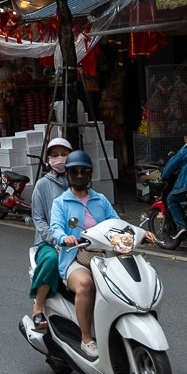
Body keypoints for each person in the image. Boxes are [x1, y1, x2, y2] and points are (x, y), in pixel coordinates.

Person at [48, 150, 119, 360]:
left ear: (90, 173)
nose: (79, 175)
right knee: (86, 284)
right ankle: (86, 339)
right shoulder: (61, 203)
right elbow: (55, 228)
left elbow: (116, 223)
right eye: (75, 172)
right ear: (68, 174)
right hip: (74, 258)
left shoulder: (101, 200)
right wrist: (65, 238)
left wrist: (139, 233)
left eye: (84, 171)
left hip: (104, 257)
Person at [28, 136, 73, 332]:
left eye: (64, 154)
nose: (60, 158)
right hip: (49, 242)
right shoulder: (42, 185)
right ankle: (38, 307)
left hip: (78, 240)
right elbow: (38, 219)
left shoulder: (79, 181)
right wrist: (56, 240)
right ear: (49, 159)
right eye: (55, 155)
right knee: (52, 259)